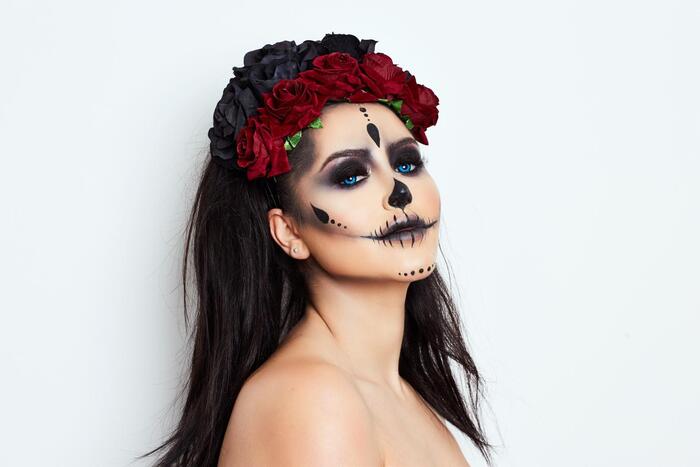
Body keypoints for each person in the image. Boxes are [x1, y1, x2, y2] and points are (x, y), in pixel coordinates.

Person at [138, 32, 494, 467]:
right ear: (289, 232)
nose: (399, 193)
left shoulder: (396, 394)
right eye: (349, 176)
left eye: (406, 163)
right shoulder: (313, 398)